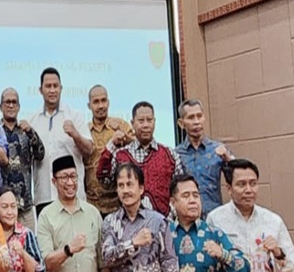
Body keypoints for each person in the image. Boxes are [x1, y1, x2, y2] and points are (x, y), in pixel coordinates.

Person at [97, 101, 184, 218]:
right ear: (132, 123)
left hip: (164, 222)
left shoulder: (170, 155)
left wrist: (170, 216)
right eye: (141, 121)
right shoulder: (120, 155)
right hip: (129, 223)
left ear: (154, 122)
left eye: (149, 120)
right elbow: (103, 179)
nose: (145, 125)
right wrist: (111, 144)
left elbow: (180, 189)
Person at [28, 68, 93, 212]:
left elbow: (89, 150)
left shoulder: (74, 116)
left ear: (61, 88)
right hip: (44, 197)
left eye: (55, 86)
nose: (52, 90)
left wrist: (75, 134)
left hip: (72, 195)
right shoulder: (32, 120)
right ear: (40, 90)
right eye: (48, 86)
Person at [0, 88, 45, 231]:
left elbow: (40, 154)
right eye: (7, 102)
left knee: (28, 242)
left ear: (19, 107)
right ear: (1, 107)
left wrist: (31, 132)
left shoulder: (26, 131)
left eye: (14, 102)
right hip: (3, 206)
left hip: (25, 205)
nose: (11, 105)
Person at [175, 99, 233, 215]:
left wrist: (228, 160)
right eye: (191, 117)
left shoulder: (218, 149)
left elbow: (236, 178)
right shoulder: (176, 154)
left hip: (215, 216)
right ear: (181, 123)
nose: (196, 122)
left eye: (199, 116)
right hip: (188, 217)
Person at [86, 85, 133, 215]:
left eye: (103, 100)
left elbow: (138, 147)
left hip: (119, 204)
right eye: (96, 102)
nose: (101, 105)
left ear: (108, 102)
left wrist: (125, 136)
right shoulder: (85, 131)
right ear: (89, 106)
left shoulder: (120, 125)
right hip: (92, 204)